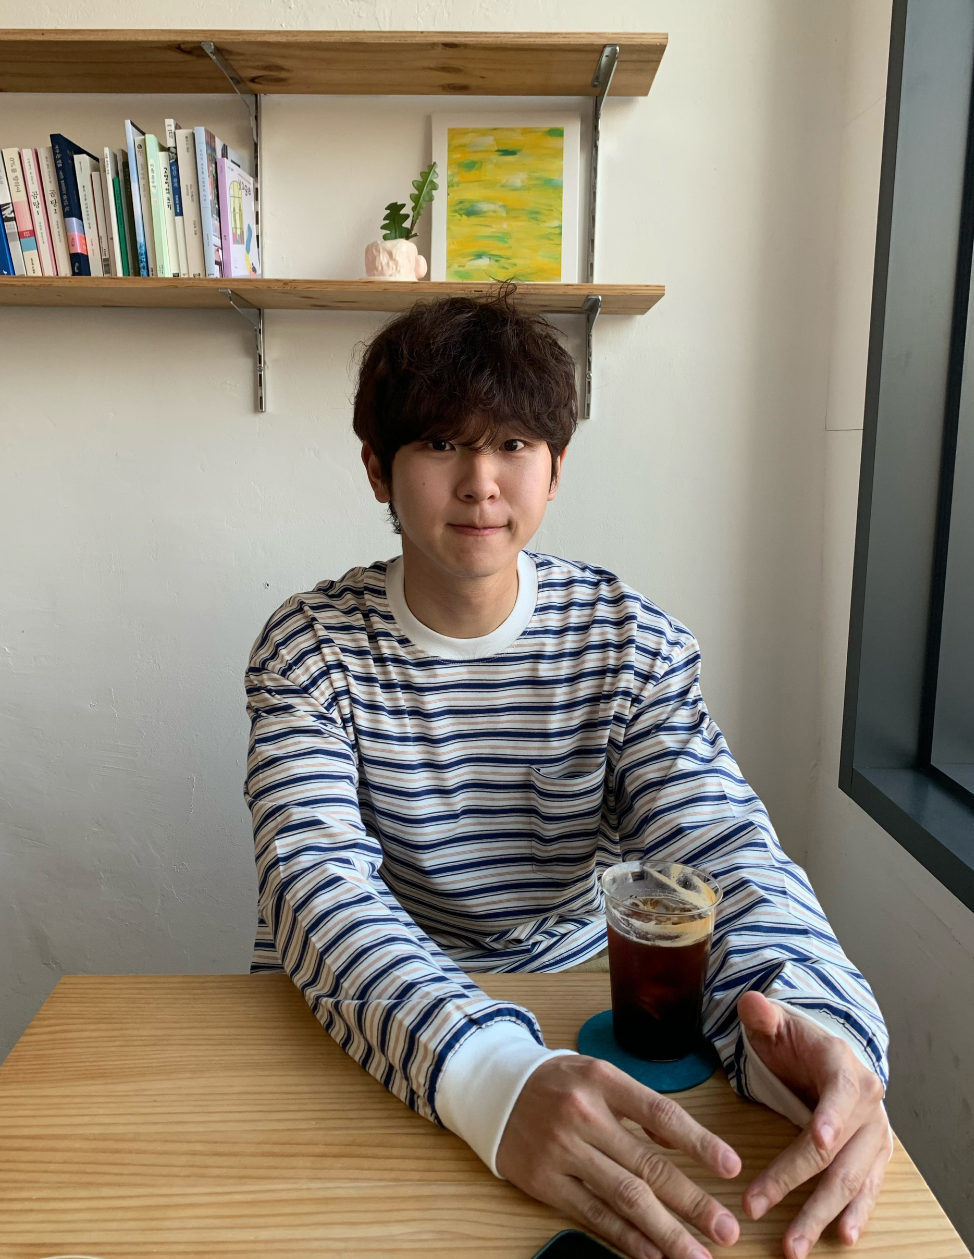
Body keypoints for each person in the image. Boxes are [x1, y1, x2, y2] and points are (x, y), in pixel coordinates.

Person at [244, 290, 891, 1259]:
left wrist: (819, 1024)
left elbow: (721, 845)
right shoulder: (308, 649)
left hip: (571, 1004)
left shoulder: (630, 643)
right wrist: (489, 1072)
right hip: (360, 1012)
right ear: (377, 467)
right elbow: (314, 886)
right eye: (439, 443)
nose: (480, 483)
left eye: (512, 444)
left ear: (555, 468)